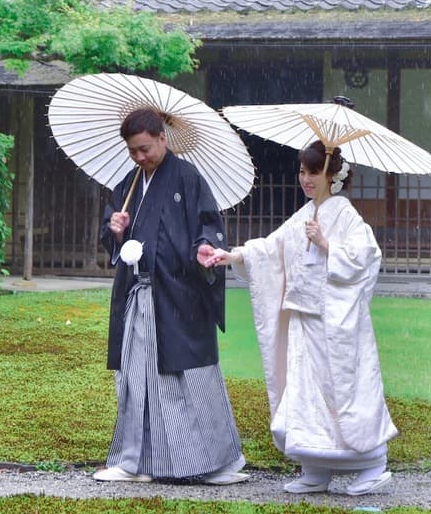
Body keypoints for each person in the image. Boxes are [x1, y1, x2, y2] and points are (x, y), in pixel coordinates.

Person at [201, 140, 397, 496]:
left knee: (343, 390)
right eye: (303, 171)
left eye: (314, 172)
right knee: (305, 392)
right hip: (304, 320)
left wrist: (326, 244)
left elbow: (366, 255)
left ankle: (372, 463)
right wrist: (233, 255)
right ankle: (315, 465)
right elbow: (272, 247)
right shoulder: (304, 215)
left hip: (335, 321)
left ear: (332, 176)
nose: (306, 179)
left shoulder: (345, 214)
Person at [93, 107, 249, 486]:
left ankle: (214, 463)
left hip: (180, 297)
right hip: (138, 296)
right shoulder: (129, 185)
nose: (139, 157)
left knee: (188, 378)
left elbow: (209, 225)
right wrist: (115, 229)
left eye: (145, 148)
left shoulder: (187, 178)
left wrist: (204, 248)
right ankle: (136, 462)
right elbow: (114, 240)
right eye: (133, 151)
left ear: (162, 138)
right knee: (136, 379)